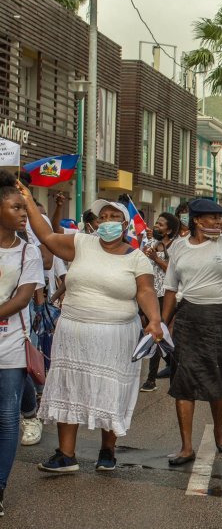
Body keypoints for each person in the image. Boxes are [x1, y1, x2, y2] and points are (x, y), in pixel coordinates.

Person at [22, 189, 162, 473]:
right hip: (74, 331)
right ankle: (65, 454)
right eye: (103, 217)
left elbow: (146, 290)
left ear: (125, 225)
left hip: (116, 335)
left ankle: (107, 451)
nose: (108, 221)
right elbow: (46, 237)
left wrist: (155, 319)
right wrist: (27, 200)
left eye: (115, 217)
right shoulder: (81, 243)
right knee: (69, 387)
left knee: (109, 391)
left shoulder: (137, 258)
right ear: (96, 223)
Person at [161, 199, 222, 465]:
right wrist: (162, 323)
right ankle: (186, 446)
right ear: (197, 220)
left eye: (221, 219)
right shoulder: (179, 246)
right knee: (184, 381)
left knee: (217, 376)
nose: (220, 222)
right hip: (188, 317)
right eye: (213, 218)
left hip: (219, 316)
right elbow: (171, 288)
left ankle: (219, 429)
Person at [0, 171, 44, 517]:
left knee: (6, 418)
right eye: (16, 207)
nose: (22, 214)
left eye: (24, 210)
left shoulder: (28, 252)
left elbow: (23, 297)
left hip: (11, 347)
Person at [139, 212, 180, 392]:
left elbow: (174, 271)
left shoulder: (177, 246)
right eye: (156, 223)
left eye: (161, 225)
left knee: (157, 334)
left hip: (167, 295)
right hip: (150, 294)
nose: (156, 226)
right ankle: (175, 366)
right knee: (156, 335)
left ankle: (151, 379)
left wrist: (156, 258)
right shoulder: (149, 244)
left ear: (169, 230)